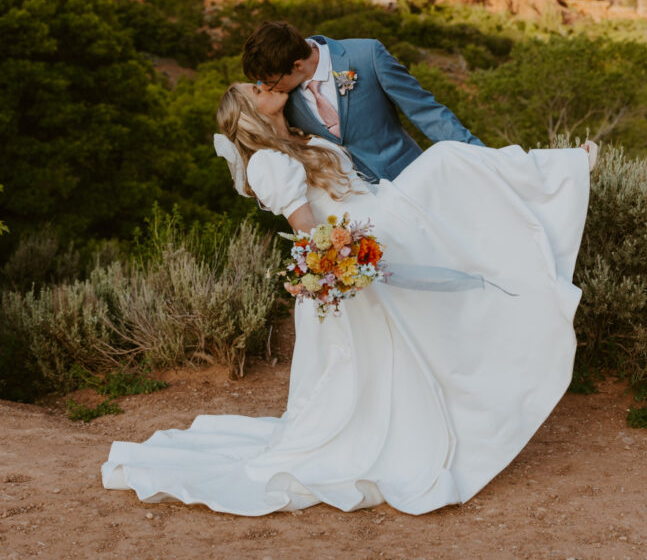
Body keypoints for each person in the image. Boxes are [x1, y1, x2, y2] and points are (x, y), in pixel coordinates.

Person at [101, 77, 597, 516]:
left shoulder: (295, 138)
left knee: (457, 205)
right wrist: (341, 265)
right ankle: (562, 172)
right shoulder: (267, 165)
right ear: (249, 112)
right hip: (357, 236)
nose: (264, 86)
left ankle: (549, 194)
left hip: (373, 216)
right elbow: (306, 231)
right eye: (256, 89)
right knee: (446, 162)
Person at [241, 21, 484, 184]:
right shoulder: (282, 99)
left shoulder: (367, 55)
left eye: (271, 81)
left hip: (413, 180)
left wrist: (483, 159)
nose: (267, 87)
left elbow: (427, 112)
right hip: (358, 211)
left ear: (297, 65)